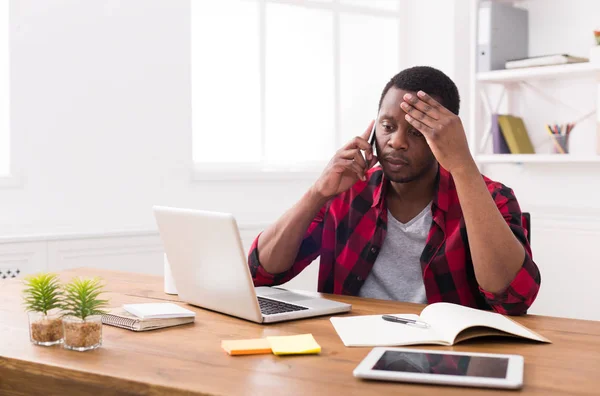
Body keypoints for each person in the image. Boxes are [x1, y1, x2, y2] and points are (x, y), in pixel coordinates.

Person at [247, 66, 540, 315]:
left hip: (448, 358)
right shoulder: (345, 192)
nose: (397, 142)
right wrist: (318, 193)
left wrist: (463, 166)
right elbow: (261, 272)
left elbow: (513, 299)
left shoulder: (492, 197)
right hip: (348, 350)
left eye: (416, 131)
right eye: (387, 126)